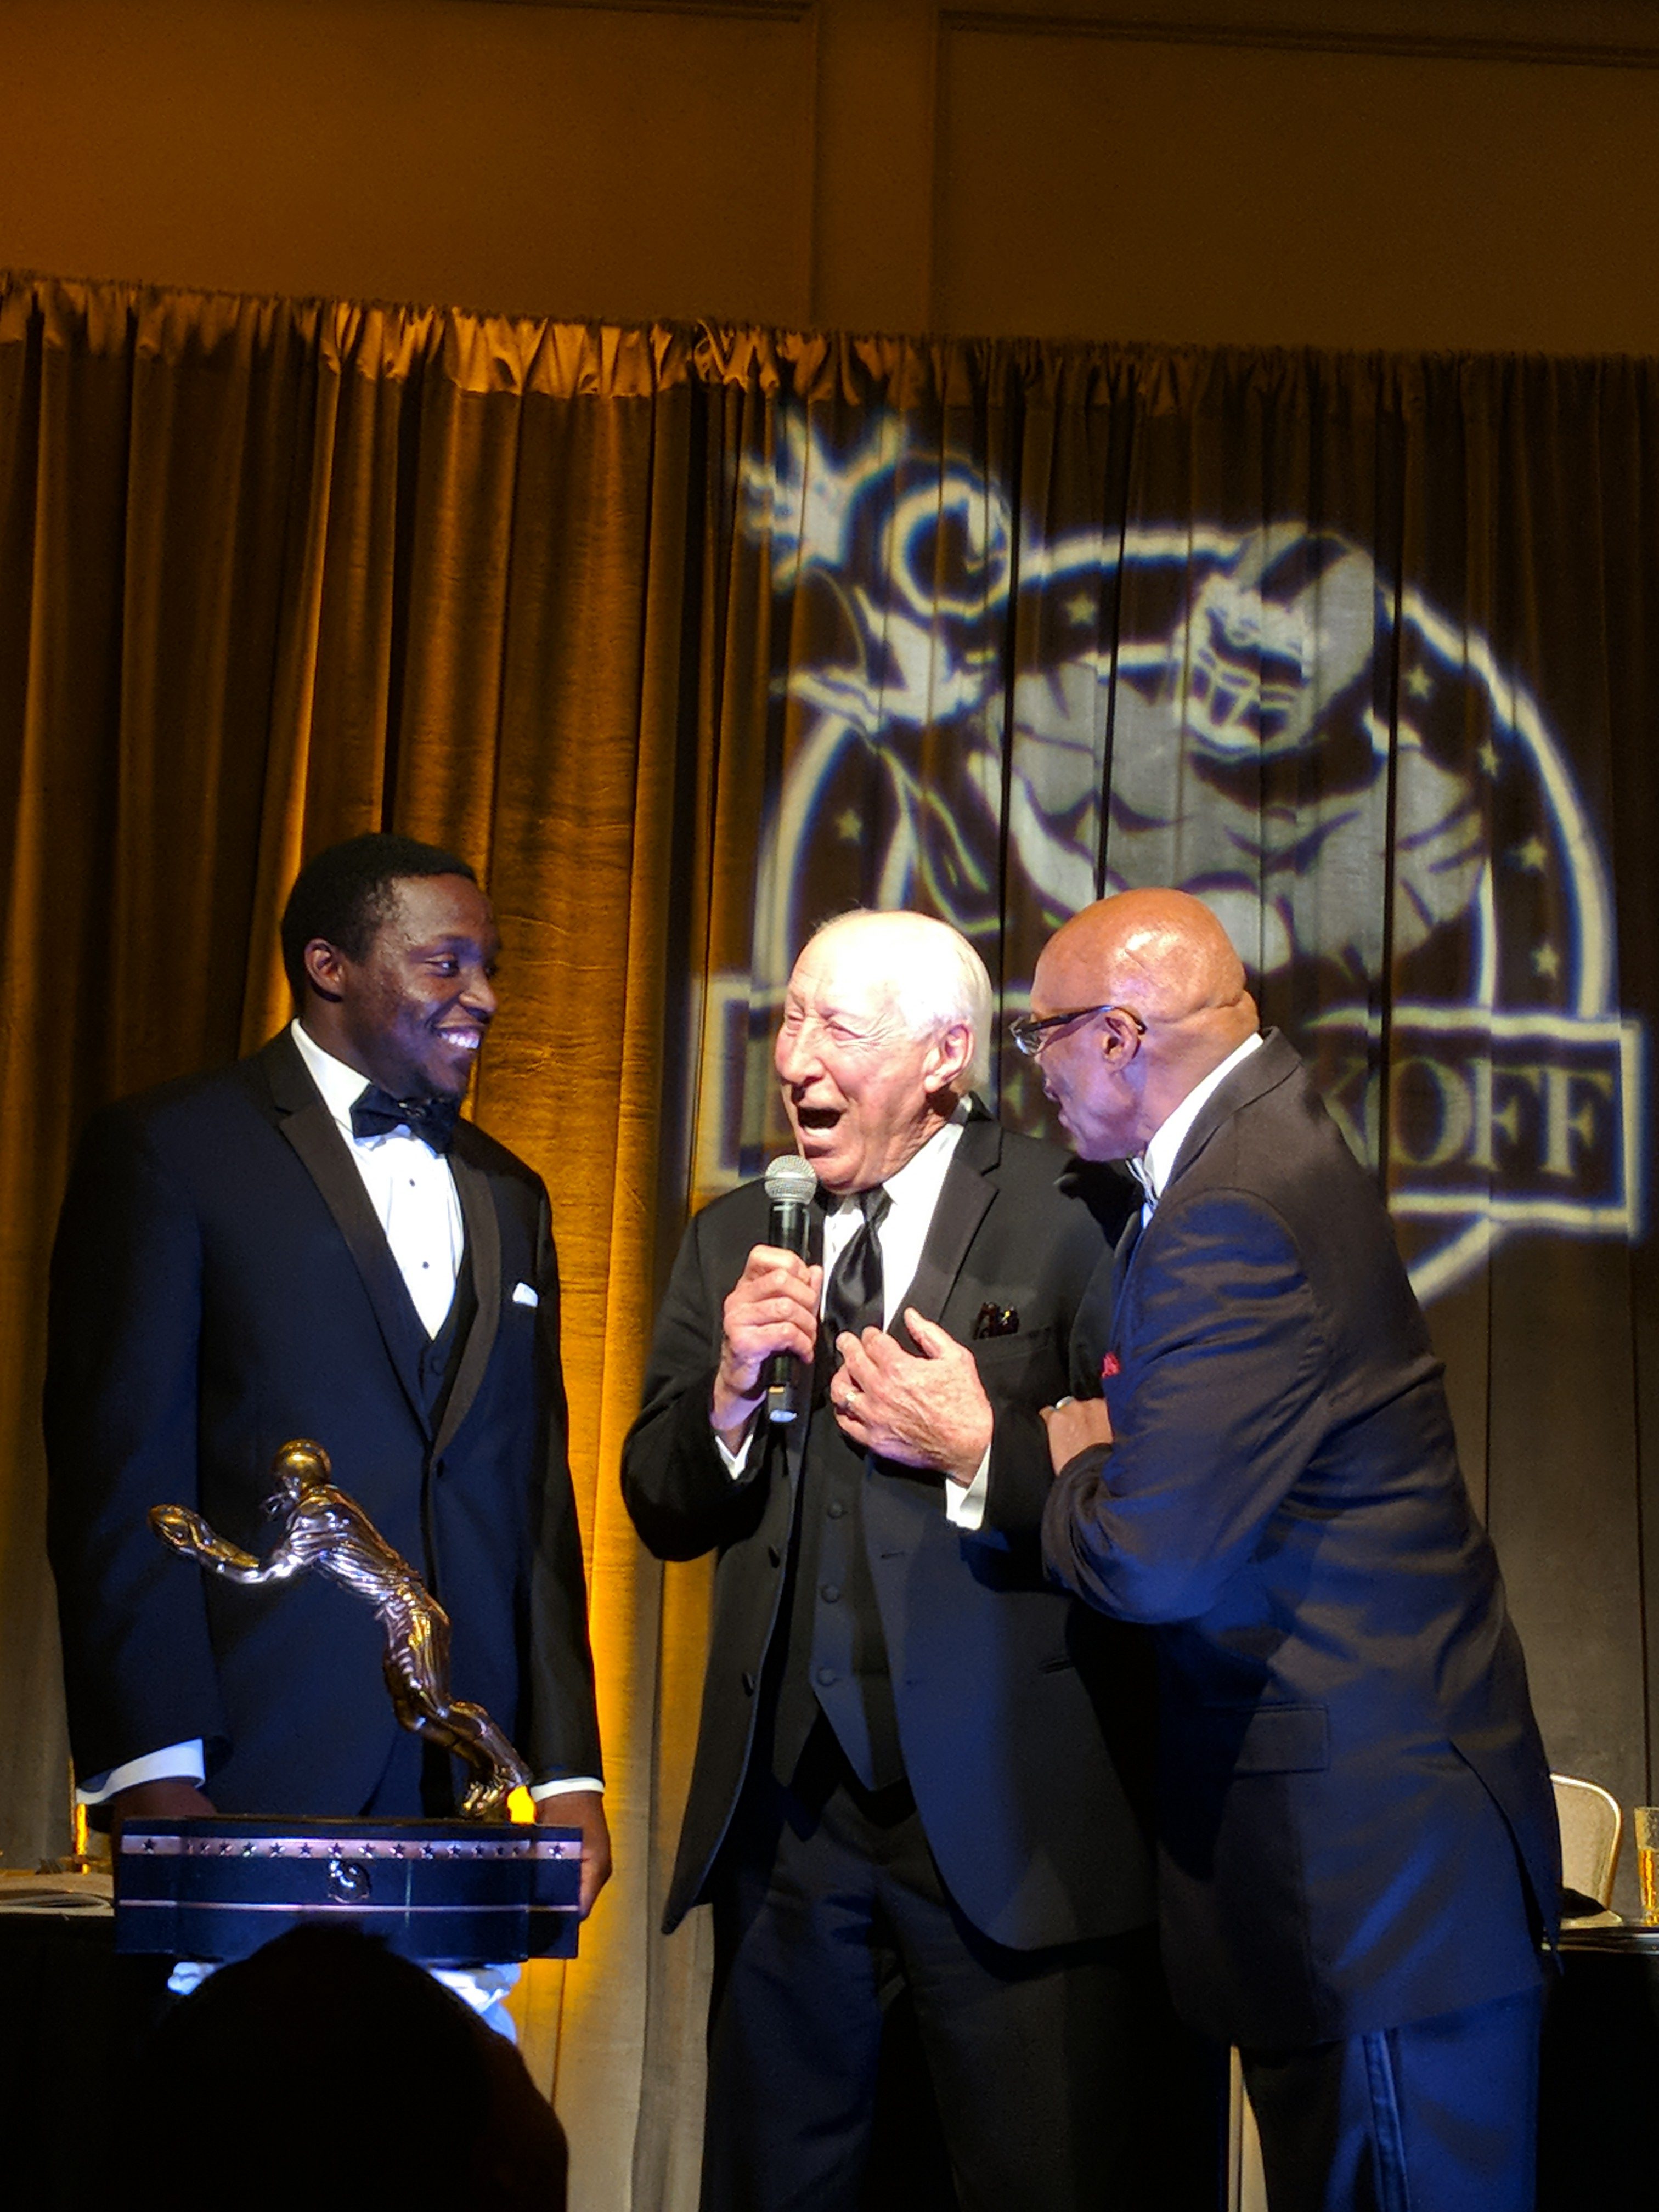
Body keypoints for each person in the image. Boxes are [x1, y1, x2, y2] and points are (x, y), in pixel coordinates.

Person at [622, 909, 1216, 2212]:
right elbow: (661, 1506)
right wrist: (728, 1396)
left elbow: (1156, 1499)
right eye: (790, 1021)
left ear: (947, 1054)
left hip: (1017, 1827)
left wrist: (978, 1445)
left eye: (837, 1028)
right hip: (791, 1832)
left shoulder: (1078, 1216)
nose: (796, 1059)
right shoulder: (737, 1236)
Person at [1031, 888, 1559, 2212]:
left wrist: (1076, 1466)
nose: (1031, 1071)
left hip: (1374, 1891)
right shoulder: (1264, 1145)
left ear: (1116, 1036)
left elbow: (1157, 1562)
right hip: (1381, 1876)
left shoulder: (1233, 1205)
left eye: (1039, 1036)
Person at [45, 832, 608, 1915]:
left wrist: (566, 1769)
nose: (484, 996)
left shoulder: (512, 1191)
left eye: (489, 967)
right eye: (446, 964)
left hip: (469, 1789)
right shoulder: (171, 1151)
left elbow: (533, 1501)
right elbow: (118, 1477)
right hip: (249, 1771)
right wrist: (153, 1767)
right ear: (329, 966)